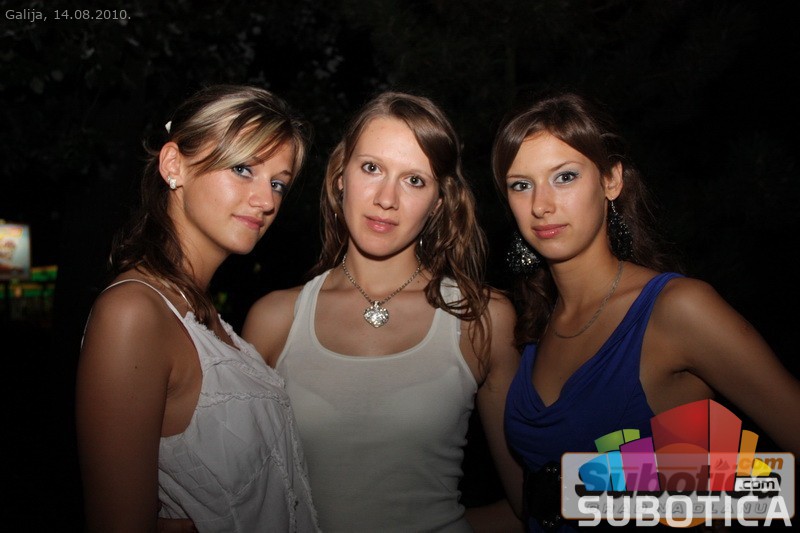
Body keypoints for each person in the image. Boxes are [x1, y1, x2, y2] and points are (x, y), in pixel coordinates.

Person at [491, 90, 800, 531]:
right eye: (521, 185)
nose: (541, 205)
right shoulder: (534, 328)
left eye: (565, 177)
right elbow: (536, 507)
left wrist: (589, 487)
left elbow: (769, 484)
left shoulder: (676, 310)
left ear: (611, 180)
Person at [243, 91, 525, 532]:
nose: (386, 198)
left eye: (414, 180)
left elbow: (529, 507)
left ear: (438, 201)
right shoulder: (274, 319)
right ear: (341, 176)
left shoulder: (482, 318)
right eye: (371, 168)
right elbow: (241, 495)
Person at [75, 84, 319, 533]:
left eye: (278, 183)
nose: (267, 201)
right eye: (243, 168)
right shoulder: (133, 313)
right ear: (174, 165)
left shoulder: (206, 318)